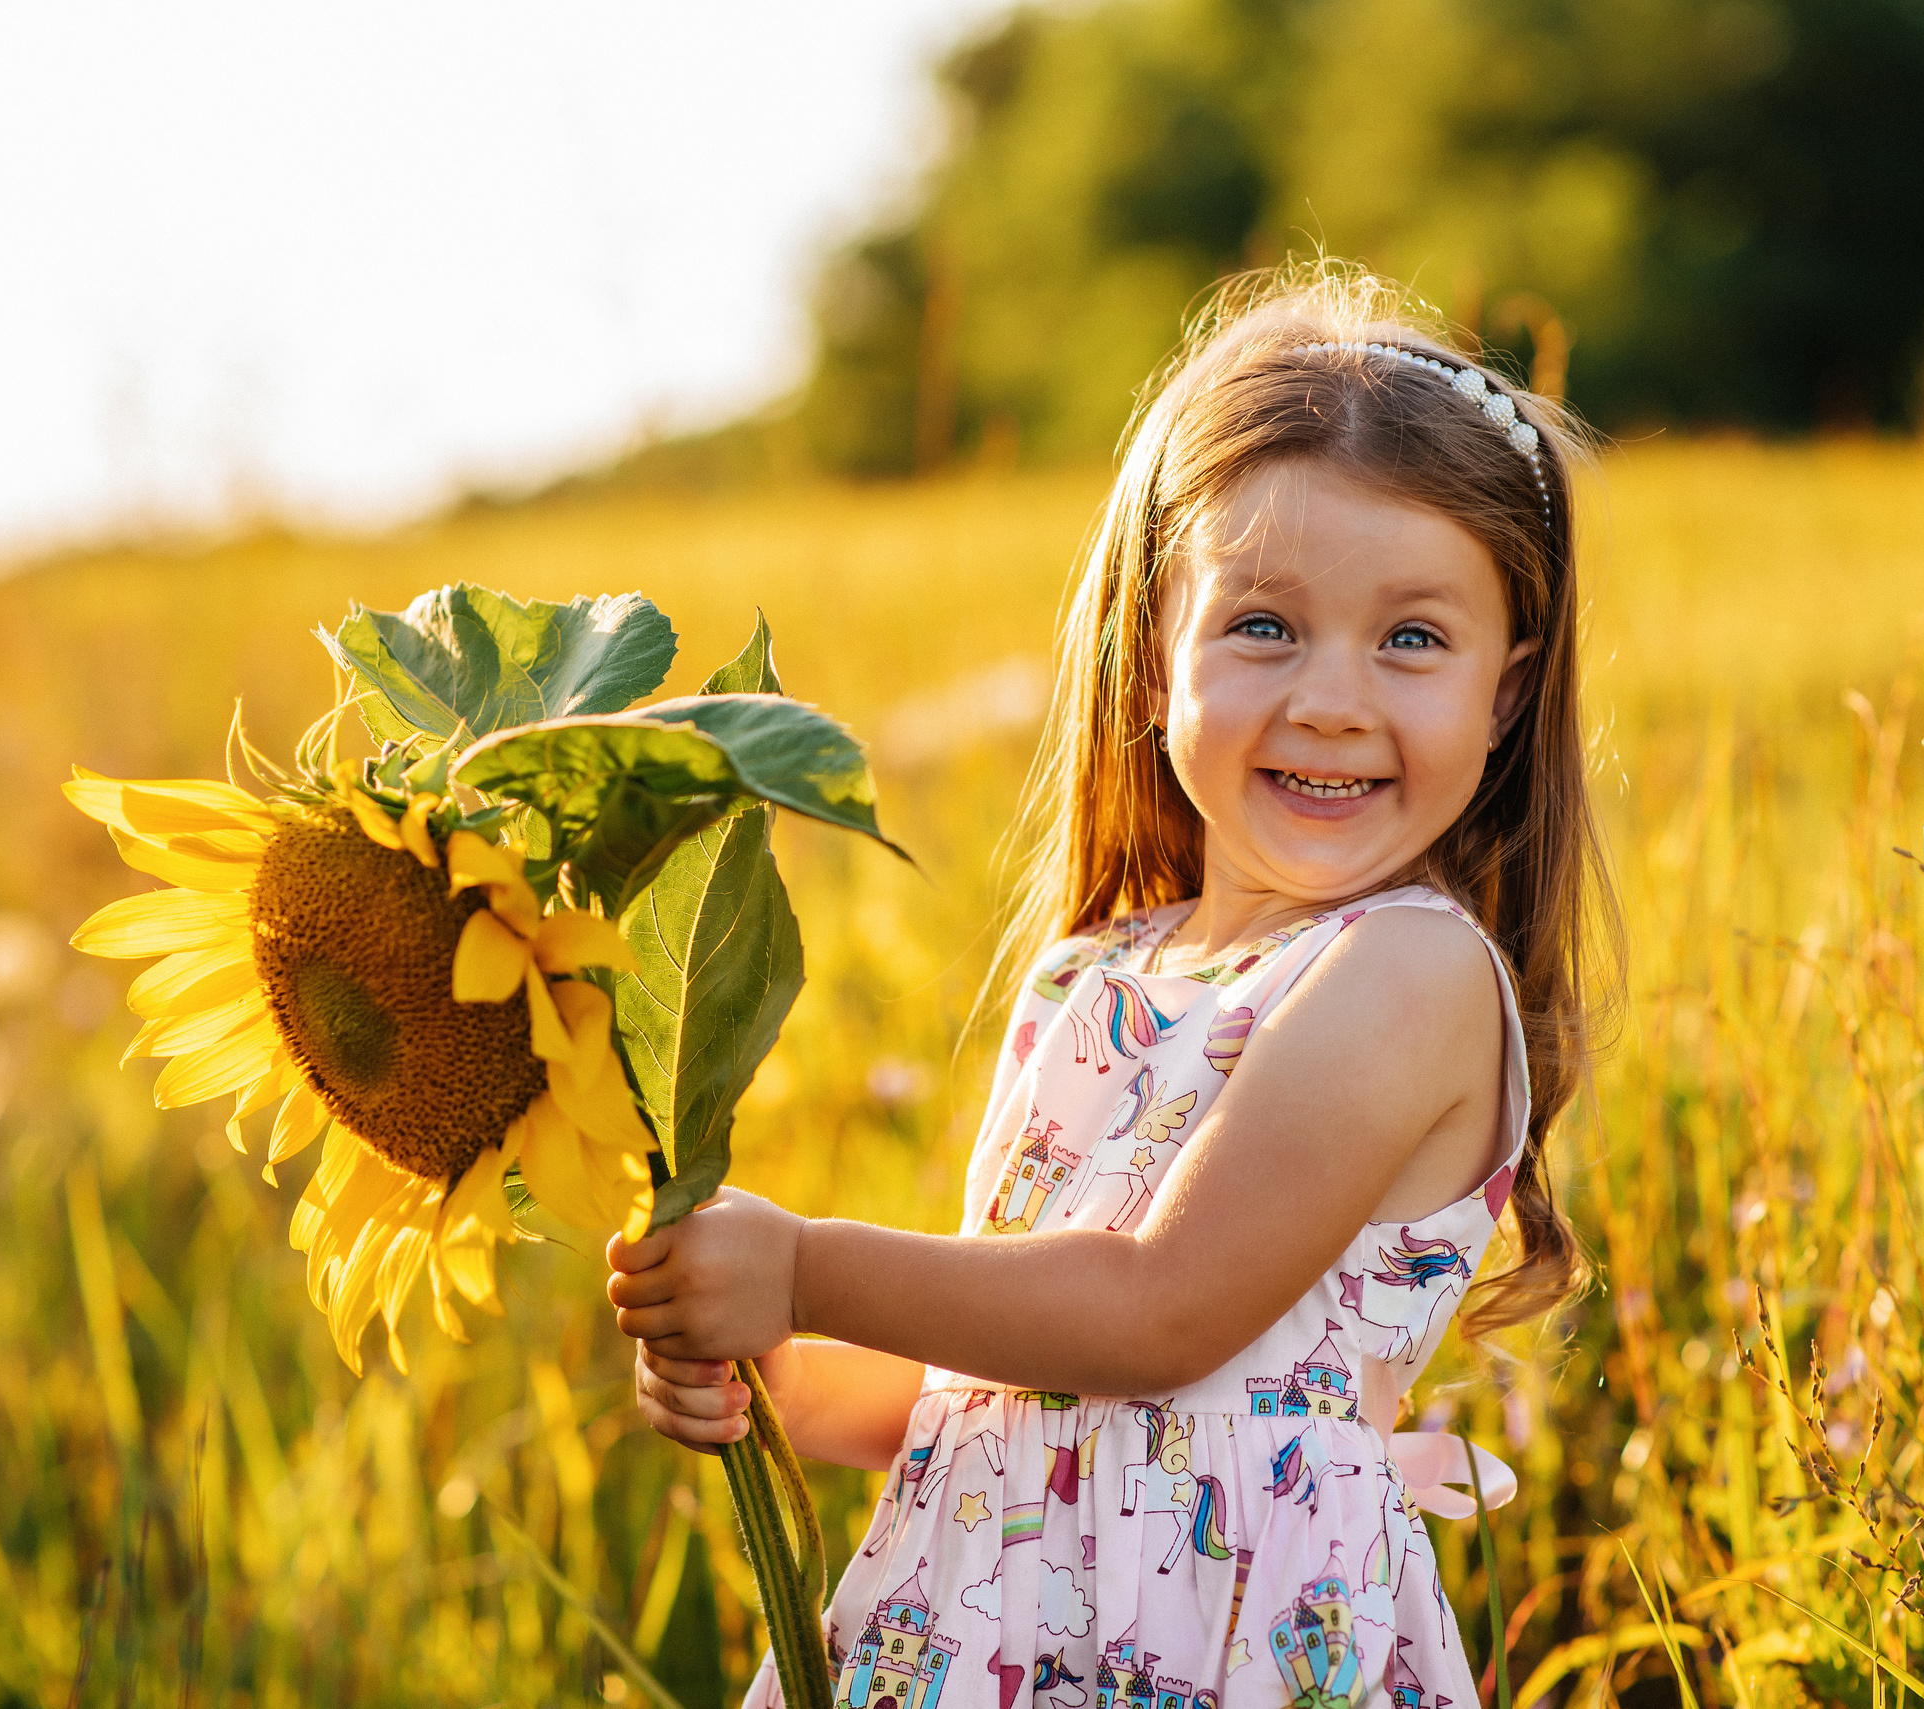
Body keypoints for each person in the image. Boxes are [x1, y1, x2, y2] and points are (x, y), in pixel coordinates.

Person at [607, 265, 1617, 1709]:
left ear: (1504, 693)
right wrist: (768, 1366)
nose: (1332, 697)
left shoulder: (1409, 968)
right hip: (981, 1637)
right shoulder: (1098, 971)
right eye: (1263, 624)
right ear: (1158, 648)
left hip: (1228, 1647)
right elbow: (977, 1384)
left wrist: (806, 1260)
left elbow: (1156, 1314)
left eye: (1412, 637)